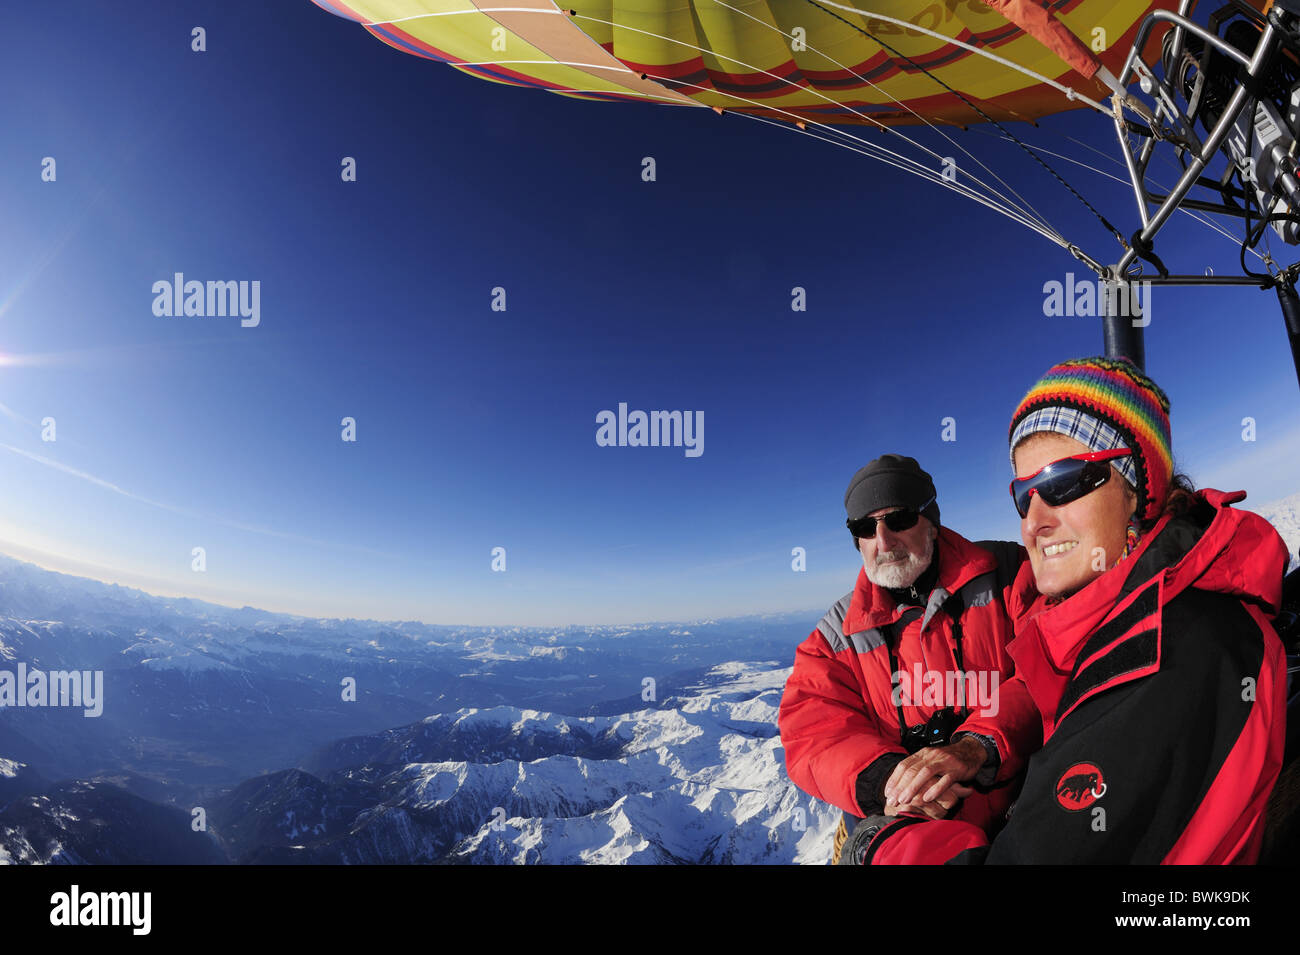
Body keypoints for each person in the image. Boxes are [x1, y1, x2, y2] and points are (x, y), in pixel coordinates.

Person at [841, 357, 1289, 865]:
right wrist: (881, 780)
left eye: (1064, 482)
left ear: (1143, 492)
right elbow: (814, 722)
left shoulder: (1162, 651)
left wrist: (881, 845)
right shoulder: (1128, 620)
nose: (1033, 523)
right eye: (1024, 495)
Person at [778, 454, 1039, 864]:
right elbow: (812, 733)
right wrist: (892, 783)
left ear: (930, 521)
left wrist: (975, 747)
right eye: (866, 528)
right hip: (907, 834)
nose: (883, 542)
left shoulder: (1010, 575)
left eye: (898, 520)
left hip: (1022, 813)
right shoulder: (834, 637)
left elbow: (1049, 668)